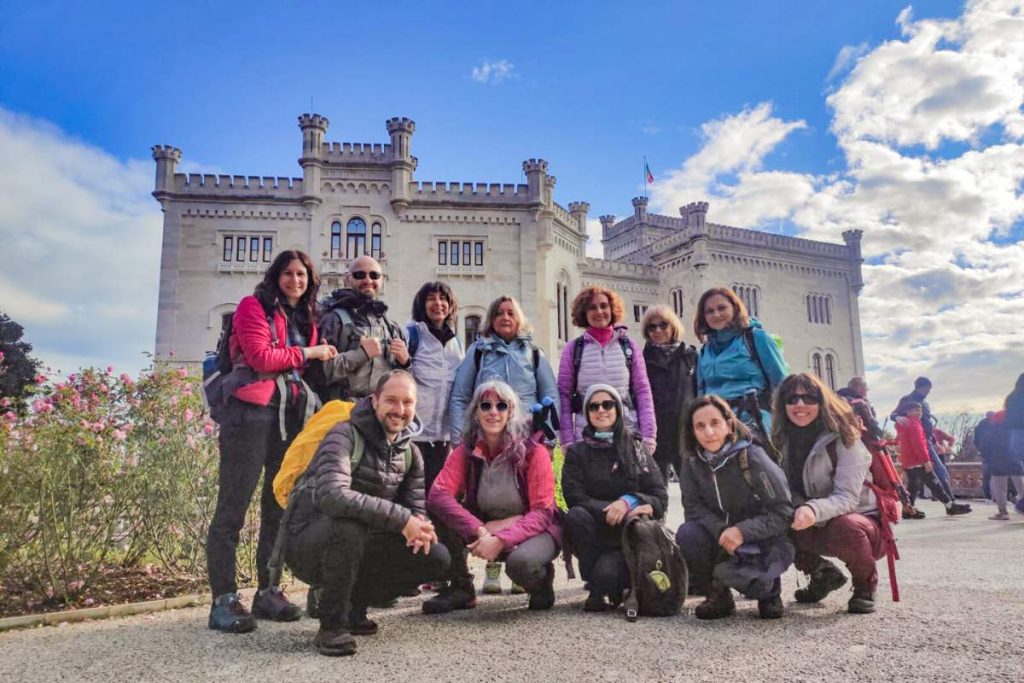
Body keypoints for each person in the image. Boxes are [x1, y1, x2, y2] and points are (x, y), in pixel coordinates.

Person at [206, 250, 338, 633]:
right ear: (275, 276)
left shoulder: (308, 318)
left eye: (302, 275)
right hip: (249, 415)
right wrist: (309, 352)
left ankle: (268, 591)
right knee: (232, 508)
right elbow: (261, 358)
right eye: (288, 273)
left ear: (310, 281)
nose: (295, 280)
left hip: (290, 416)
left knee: (278, 506)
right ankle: (223, 599)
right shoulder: (253, 307)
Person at [282, 371, 449, 656]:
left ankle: (354, 609)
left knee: (434, 555)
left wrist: (420, 527)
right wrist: (402, 519)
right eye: (391, 401)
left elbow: (416, 511)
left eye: (407, 402)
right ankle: (331, 626)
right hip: (307, 543)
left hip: (359, 544)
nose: (399, 410)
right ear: (374, 401)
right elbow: (332, 496)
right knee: (350, 527)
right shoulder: (343, 435)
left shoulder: (411, 454)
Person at [447, 296, 558, 594]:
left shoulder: (534, 353)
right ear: (491, 320)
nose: (505, 317)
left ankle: (521, 562)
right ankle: (492, 566)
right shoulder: (478, 352)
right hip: (487, 439)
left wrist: (549, 441)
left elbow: (550, 396)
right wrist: (461, 440)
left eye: (511, 313)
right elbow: (460, 396)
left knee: (523, 501)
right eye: (499, 313)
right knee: (488, 498)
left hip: (526, 443)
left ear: (519, 318)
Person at [426, 380, 561, 614]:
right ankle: (460, 587)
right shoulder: (466, 451)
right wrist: (479, 529)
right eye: (485, 405)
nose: (493, 412)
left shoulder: (534, 451)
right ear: (476, 412)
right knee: (439, 511)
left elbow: (542, 513)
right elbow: (438, 495)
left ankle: (541, 582)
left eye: (501, 406)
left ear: (511, 412)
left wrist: (501, 538)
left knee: (521, 564)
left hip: (534, 528)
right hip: (485, 525)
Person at [772, 373, 886, 615]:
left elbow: (848, 498)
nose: (800, 404)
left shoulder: (845, 438)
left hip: (860, 520)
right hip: (811, 518)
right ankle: (822, 574)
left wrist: (812, 509)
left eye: (809, 398)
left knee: (845, 526)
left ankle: (865, 586)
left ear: (822, 401)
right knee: (773, 520)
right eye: (791, 398)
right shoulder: (782, 441)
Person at [675, 396, 794, 620]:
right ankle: (718, 594)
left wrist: (742, 531)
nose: (709, 432)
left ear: (729, 425)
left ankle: (770, 592)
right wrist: (722, 531)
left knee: (763, 597)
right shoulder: (692, 463)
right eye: (700, 426)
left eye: (715, 423)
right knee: (688, 534)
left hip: (759, 537)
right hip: (721, 536)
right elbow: (693, 508)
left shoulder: (752, 456)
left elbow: (782, 512)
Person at [562, 384, 668, 612]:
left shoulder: (636, 448)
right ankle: (596, 585)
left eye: (607, 404)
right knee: (575, 516)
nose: (601, 410)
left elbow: (660, 497)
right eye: (594, 406)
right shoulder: (577, 453)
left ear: (618, 409)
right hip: (595, 532)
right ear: (587, 413)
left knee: (608, 576)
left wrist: (628, 502)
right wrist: (610, 509)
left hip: (629, 536)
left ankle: (614, 582)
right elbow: (574, 496)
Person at [557, 286, 656, 454]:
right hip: (586, 439)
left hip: (626, 435)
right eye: (592, 307)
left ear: (612, 309)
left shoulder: (629, 347)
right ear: (584, 313)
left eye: (604, 306)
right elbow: (563, 395)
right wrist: (566, 439)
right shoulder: (573, 349)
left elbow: (643, 391)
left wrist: (649, 434)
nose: (599, 312)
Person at [693, 287, 789, 438]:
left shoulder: (756, 338)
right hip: (716, 428)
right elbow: (701, 392)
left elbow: (782, 383)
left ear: (735, 308)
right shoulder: (705, 350)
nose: (716, 314)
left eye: (722, 308)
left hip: (753, 423)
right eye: (709, 311)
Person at [313, 254, 410, 402]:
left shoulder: (391, 327)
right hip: (341, 409)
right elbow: (320, 373)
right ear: (348, 279)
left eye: (374, 275)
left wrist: (405, 363)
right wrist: (361, 353)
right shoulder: (333, 320)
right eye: (360, 275)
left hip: (379, 410)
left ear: (382, 280)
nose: (368, 280)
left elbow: (403, 381)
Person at [406, 281, 464, 493]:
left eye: (443, 299)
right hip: (414, 432)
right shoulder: (411, 334)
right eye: (431, 299)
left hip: (443, 436)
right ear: (422, 304)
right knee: (411, 490)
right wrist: (405, 363)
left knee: (436, 492)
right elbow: (398, 376)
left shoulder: (455, 342)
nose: (438, 303)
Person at [838, 377, 921, 519]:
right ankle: (898, 506)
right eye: (865, 388)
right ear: (860, 388)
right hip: (868, 444)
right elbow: (871, 424)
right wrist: (878, 434)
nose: (867, 391)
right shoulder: (859, 403)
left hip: (848, 444)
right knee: (884, 478)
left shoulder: (838, 401)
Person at [640, 305, 698, 484]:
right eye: (652, 327)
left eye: (663, 325)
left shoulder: (691, 356)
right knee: (656, 488)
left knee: (693, 487)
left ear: (673, 326)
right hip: (656, 434)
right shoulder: (642, 360)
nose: (658, 330)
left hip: (685, 432)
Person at [891, 377, 966, 508]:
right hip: (918, 441)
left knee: (916, 480)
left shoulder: (925, 403)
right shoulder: (907, 400)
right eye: (926, 389)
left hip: (927, 440)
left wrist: (935, 442)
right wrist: (897, 417)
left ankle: (909, 507)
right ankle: (951, 503)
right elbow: (893, 414)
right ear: (919, 387)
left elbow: (928, 424)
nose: (928, 392)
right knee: (938, 473)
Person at [974, 410, 1024, 520]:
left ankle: (1003, 512)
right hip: (1014, 461)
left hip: (997, 462)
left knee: (1000, 488)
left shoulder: (990, 432)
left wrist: (986, 456)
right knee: (1020, 485)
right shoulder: (1014, 431)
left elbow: (982, 445)